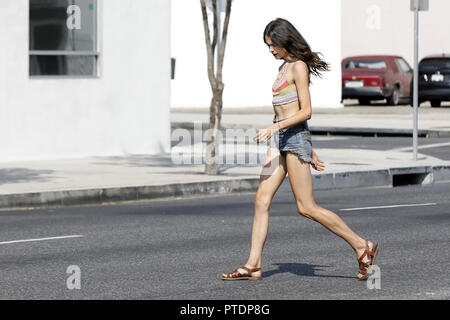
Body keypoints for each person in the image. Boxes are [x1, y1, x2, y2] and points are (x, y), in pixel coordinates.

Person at [221, 18, 379, 281]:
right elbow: (287, 110)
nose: (270, 50)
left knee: (306, 207)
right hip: (280, 141)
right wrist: (280, 133)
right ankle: (253, 265)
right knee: (261, 199)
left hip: (292, 139)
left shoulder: (298, 67)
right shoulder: (283, 67)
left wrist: (289, 136)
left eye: (272, 45)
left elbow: (306, 111)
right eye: (268, 46)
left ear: (284, 41)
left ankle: (362, 245)